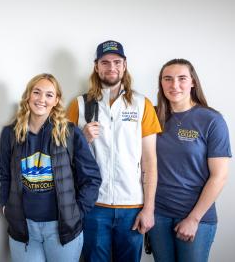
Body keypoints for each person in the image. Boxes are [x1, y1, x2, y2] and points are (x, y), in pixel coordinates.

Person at [67, 40, 161, 262]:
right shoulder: (79, 105)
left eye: (117, 62)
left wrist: (148, 209)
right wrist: (82, 138)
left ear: (125, 65)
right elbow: (63, 156)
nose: (111, 67)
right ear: (96, 66)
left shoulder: (142, 104)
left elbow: (150, 162)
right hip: (93, 205)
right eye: (105, 62)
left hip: (132, 205)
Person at [0, 73, 101, 262]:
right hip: (23, 228)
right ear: (28, 95)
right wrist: (6, 207)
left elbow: (92, 178)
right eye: (36, 92)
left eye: (49, 95)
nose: (41, 99)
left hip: (62, 229)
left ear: (56, 100)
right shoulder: (10, 134)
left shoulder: (70, 133)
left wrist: (76, 213)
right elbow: (5, 175)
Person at [148, 59, 232, 262]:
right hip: (157, 214)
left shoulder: (211, 120)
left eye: (182, 78)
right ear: (161, 83)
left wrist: (193, 219)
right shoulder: (152, 115)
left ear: (193, 82)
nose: (174, 85)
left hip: (196, 216)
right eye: (167, 79)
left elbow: (219, 176)